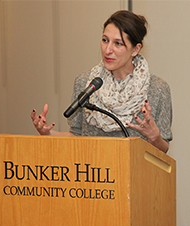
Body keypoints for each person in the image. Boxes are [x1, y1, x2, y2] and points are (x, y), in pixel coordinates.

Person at [30, 10, 172, 153]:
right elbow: (77, 136)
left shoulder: (157, 89)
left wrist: (154, 137)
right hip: (92, 171)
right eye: (105, 40)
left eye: (118, 43)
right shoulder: (86, 83)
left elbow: (163, 150)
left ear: (135, 49)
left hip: (135, 173)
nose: (108, 49)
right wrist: (47, 133)